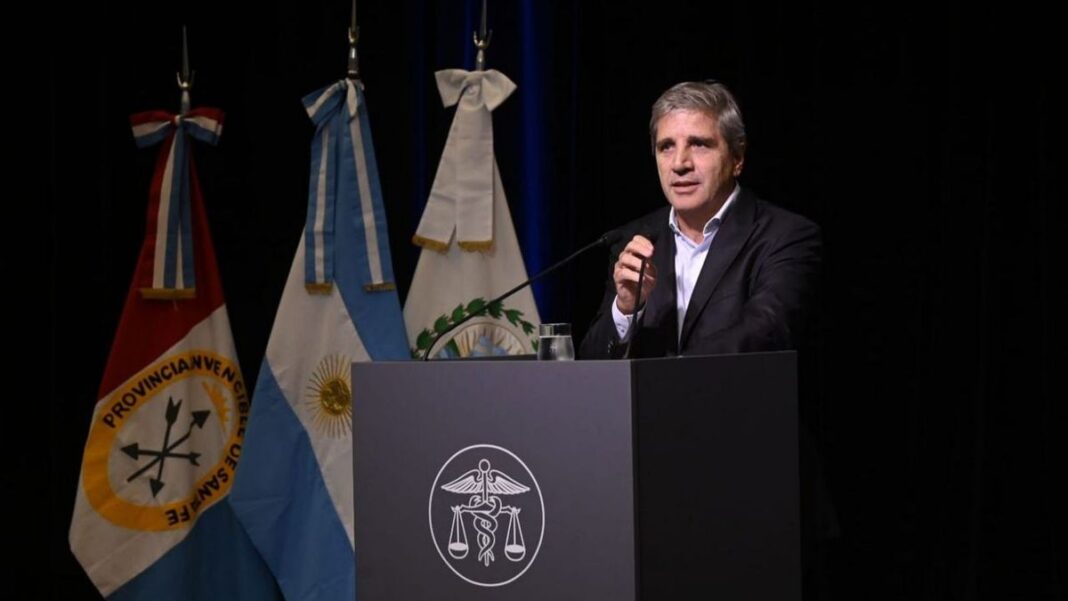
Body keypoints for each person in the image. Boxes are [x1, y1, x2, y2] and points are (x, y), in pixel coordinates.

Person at [580, 80, 822, 359]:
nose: (680, 163)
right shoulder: (635, 241)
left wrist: (669, 376)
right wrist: (624, 309)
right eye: (666, 146)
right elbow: (590, 362)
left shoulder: (786, 235)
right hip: (646, 404)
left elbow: (765, 332)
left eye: (698, 144)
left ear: (737, 158)